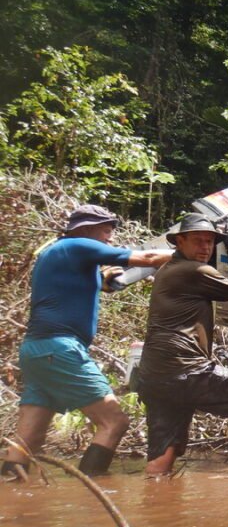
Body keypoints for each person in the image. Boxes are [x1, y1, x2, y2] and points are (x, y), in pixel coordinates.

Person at [3, 205, 172, 478]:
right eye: (107, 230)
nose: (110, 237)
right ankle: (92, 491)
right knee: (114, 421)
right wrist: (194, 251)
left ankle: (9, 494)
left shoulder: (57, 254)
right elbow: (150, 256)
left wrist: (108, 280)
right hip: (60, 349)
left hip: (36, 350)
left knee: (28, 438)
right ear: (87, 228)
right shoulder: (77, 245)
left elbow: (101, 283)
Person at [133, 213, 228, 475]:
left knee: (163, 456)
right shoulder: (193, 270)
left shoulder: (168, 270)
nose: (205, 248)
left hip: (155, 376)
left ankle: (154, 505)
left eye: (210, 242)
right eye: (198, 241)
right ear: (179, 242)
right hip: (186, 370)